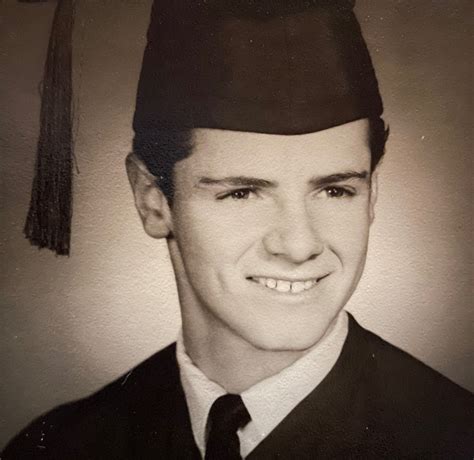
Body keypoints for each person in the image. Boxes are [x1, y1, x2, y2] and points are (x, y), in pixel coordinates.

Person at [2, 0, 473, 458]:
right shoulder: (60, 448)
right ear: (152, 200)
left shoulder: (455, 440)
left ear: (372, 195)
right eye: (242, 193)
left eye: (335, 190)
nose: (298, 245)